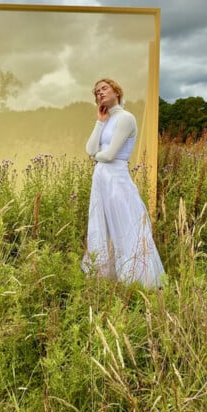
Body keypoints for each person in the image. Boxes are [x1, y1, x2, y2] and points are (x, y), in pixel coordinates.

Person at [82, 78, 165, 288]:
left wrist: (96, 156)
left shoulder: (126, 118)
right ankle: (105, 276)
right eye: (96, 91)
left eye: (104, 88)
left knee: (124, 225)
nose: (99, 93)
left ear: (116, 91)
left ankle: (136, 280)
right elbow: (90, 149)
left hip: (116, 179)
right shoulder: (107, 120)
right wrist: (99, 122)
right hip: (101, 178)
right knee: (101, 225)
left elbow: (109, 155)